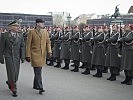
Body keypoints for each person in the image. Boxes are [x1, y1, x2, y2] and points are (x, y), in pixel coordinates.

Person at [25, 19, 52, 94]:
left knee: (38, 71)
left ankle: (35, 85)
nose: (43, 24)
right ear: (37, 24)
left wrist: (49, 51)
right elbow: (28, 44)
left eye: (43, 23)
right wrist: (27, 55)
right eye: (41, 23)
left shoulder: (45, 31)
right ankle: (40, 87)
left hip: (42, 54)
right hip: (34, 54)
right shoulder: (31, 31)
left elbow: (48, 43)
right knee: (38, 71)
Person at [0, 20, 25, 97]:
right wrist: (1, 58)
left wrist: (23, 57)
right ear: (11, 27)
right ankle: (14, 88)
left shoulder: (20, 35)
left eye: (18, 26)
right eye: (16, 26)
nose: (18, 27)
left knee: (16, 73)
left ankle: (10, 81)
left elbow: (22, 47)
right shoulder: (4, 35)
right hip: (8, 56)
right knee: (11, 72)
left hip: (17, 56)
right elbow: (1, 47)